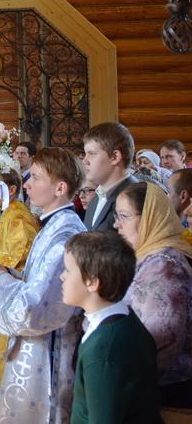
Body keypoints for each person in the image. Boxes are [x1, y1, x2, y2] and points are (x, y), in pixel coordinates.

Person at [0, 148, 86, 422]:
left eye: (35, 178)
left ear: (60, 188)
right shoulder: (53, 224)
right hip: (40, 347)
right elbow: (36, 280)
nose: (27, 185)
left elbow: (34, 308)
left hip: (49, 352)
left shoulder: (64, 235)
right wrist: (7, 272)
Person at [61, 231, 160, 423]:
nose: (62, 276)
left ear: (92, 282)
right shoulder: (124, 316)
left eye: (68, 270)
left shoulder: (104, 350)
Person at [113, 181, 192, 407]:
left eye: (124, 216)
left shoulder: (165, 267)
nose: (117, 224)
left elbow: (159, 344)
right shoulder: (149, 256)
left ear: (150, 218)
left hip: (166, 394)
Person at [0, 169, 39, 413]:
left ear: (12, 190)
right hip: (2, 303)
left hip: (11, 307)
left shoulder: (18, 218)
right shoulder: (7, 214)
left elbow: (19, 266)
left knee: (7, 370)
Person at [81, 122, 138, 231]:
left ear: (115, 157)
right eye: (85, 154)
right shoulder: (96, 198)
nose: (84, 161)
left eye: (91, 154)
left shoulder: (136, 198)